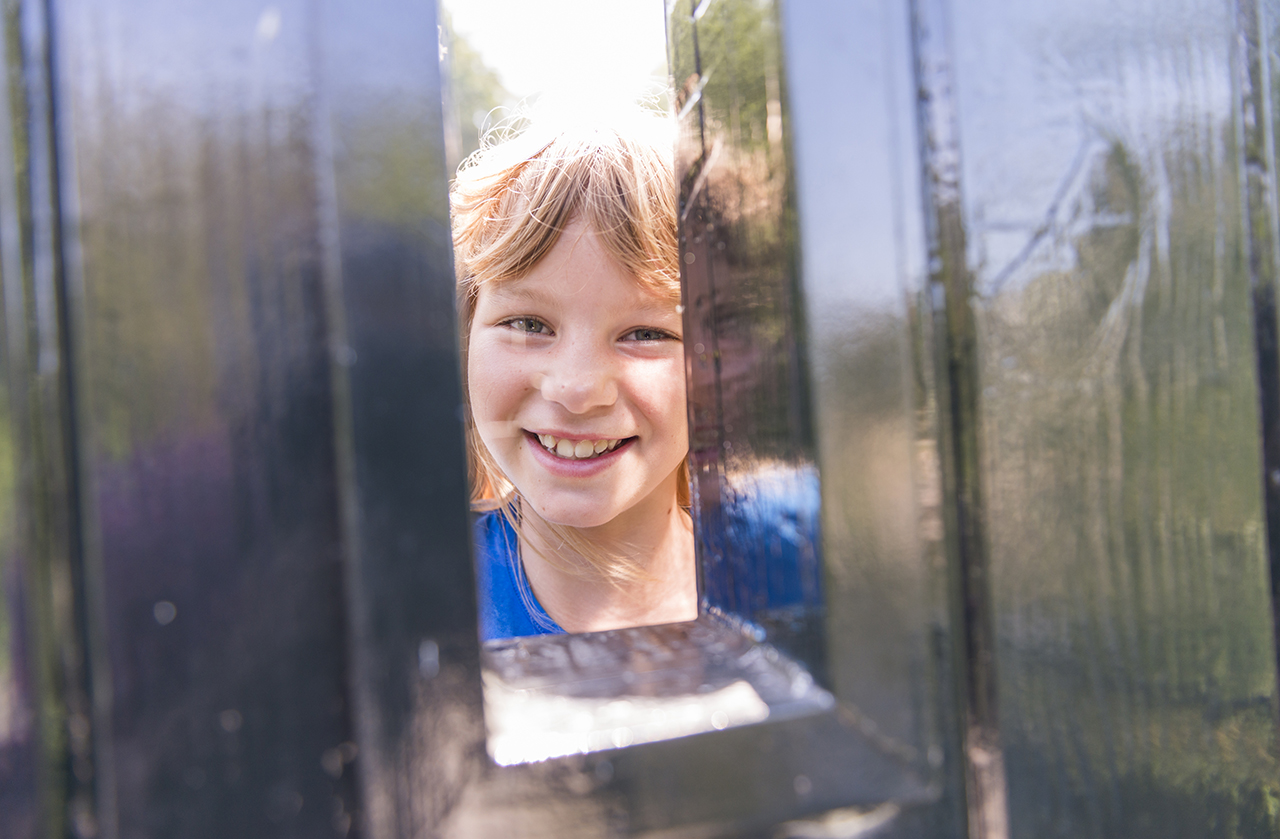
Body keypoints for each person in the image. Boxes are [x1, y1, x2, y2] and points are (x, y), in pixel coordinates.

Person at [451, 111, 696, 641]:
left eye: (646, 333)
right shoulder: (414, 601)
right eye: (528, 324)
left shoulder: (806, 574)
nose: (578, 390)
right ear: (467, 335)